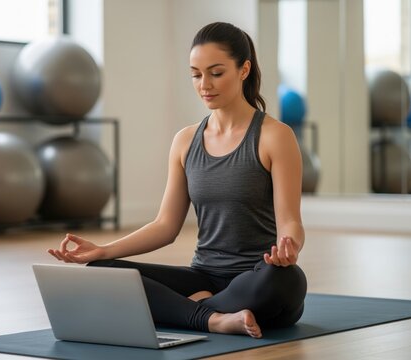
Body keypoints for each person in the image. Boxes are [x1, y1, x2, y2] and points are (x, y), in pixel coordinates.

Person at [48, 22, 307, 339]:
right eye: (196, 74)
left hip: (257, 278)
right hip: (203, 276)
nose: (204, 85)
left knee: (287, 280)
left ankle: (193, 310)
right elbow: (165, 226)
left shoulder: (274, 136)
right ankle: (215, 319)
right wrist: (102, 251)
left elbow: (290, 221)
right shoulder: (185, 141)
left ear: (244, 70)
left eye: (216, 72)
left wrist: (289, 248)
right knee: (103, 274)